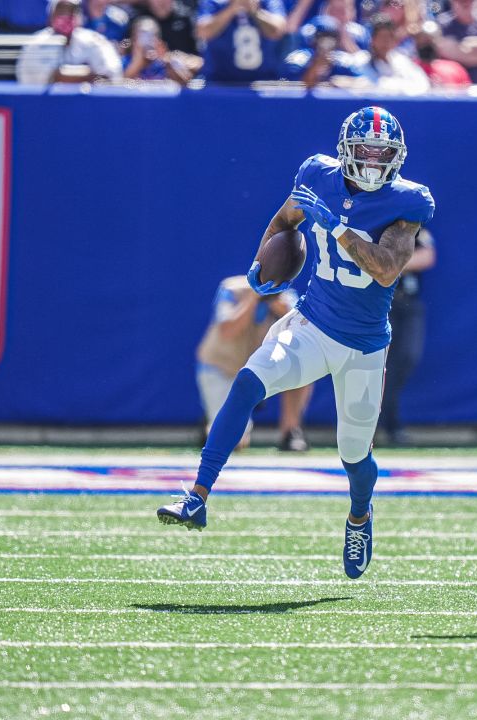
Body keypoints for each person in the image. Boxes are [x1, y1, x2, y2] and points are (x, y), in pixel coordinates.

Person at [157, 107, 436, 584]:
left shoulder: (409, 202)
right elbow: (284, 223)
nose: (371, 162)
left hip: (365, 345)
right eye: (364, 151)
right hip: (312, 321)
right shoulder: (316, 175)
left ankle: (360, 517)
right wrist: (261, 271)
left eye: (381, 154)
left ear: (396, 157)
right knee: (247, 382)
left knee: (354, 455)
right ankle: (197, 496)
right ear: (346, 151)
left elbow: (387, 268)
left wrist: (340, 228)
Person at [196, 278, 312, 452]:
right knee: (233, 440)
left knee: (302, 366)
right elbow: (227, 331)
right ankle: (214, 418)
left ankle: (291, 430)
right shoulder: (232, 289)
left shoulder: (287, 296)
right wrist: (252, 299)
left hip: (260, 370)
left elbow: (304, 338)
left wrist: (284, 312)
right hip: (223, 368)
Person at [379, 225, 435, 445]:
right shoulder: (377, 222)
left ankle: (389, 420)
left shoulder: (415, 228)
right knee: (376, 364)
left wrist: (392, 264)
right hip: (382, 302)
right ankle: (379, 424)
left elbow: (427, 256)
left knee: (407, 358)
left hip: (408, 301)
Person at [15, 0, 123, 84]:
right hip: (46, 105)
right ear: (51, 15)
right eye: (62, 11)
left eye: (72, 11)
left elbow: (111, 74)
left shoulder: (94, 40)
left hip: (88, 104)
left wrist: (66, 76)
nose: (67, 15)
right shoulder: (36, 43)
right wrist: (88, 74)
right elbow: (35, 79)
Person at [196, 0, 288, 83]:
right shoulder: (213, 2)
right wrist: (231, 9)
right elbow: (203, 31)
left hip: (265, 82)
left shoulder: (268, 2)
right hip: (219, 82)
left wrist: (256, 12)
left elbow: (277, 31)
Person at [279, 16, 367, 86]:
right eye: (322, 37)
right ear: (313, 39)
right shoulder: (298, 60)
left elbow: (365, 82)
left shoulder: (343, 61)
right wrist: (316, 65)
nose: (326, 44)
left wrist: (346, 82)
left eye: (331, 37)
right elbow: (289, 86)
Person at [363, 16, 431, 94]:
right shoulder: (362, 61)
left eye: (389, 37)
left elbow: (423, 84)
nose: (386, 41)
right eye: (382, 37)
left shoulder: (401, 60)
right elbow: (368, 85)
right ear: (372, 39)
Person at [123, 15, 201, 83]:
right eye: (143, 35)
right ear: (134, 38)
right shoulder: (125, 61)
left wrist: (166, 60)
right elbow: (119, 87)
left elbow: (185, 82)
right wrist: (137, 62)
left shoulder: (166, 61)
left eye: (152, 35)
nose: (148, 40)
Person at [413, 21, 472, 87]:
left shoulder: (454, 69)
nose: (426, 45)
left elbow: (466, 94)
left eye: (430, 40)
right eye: (422, 40)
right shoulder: (409, 69)